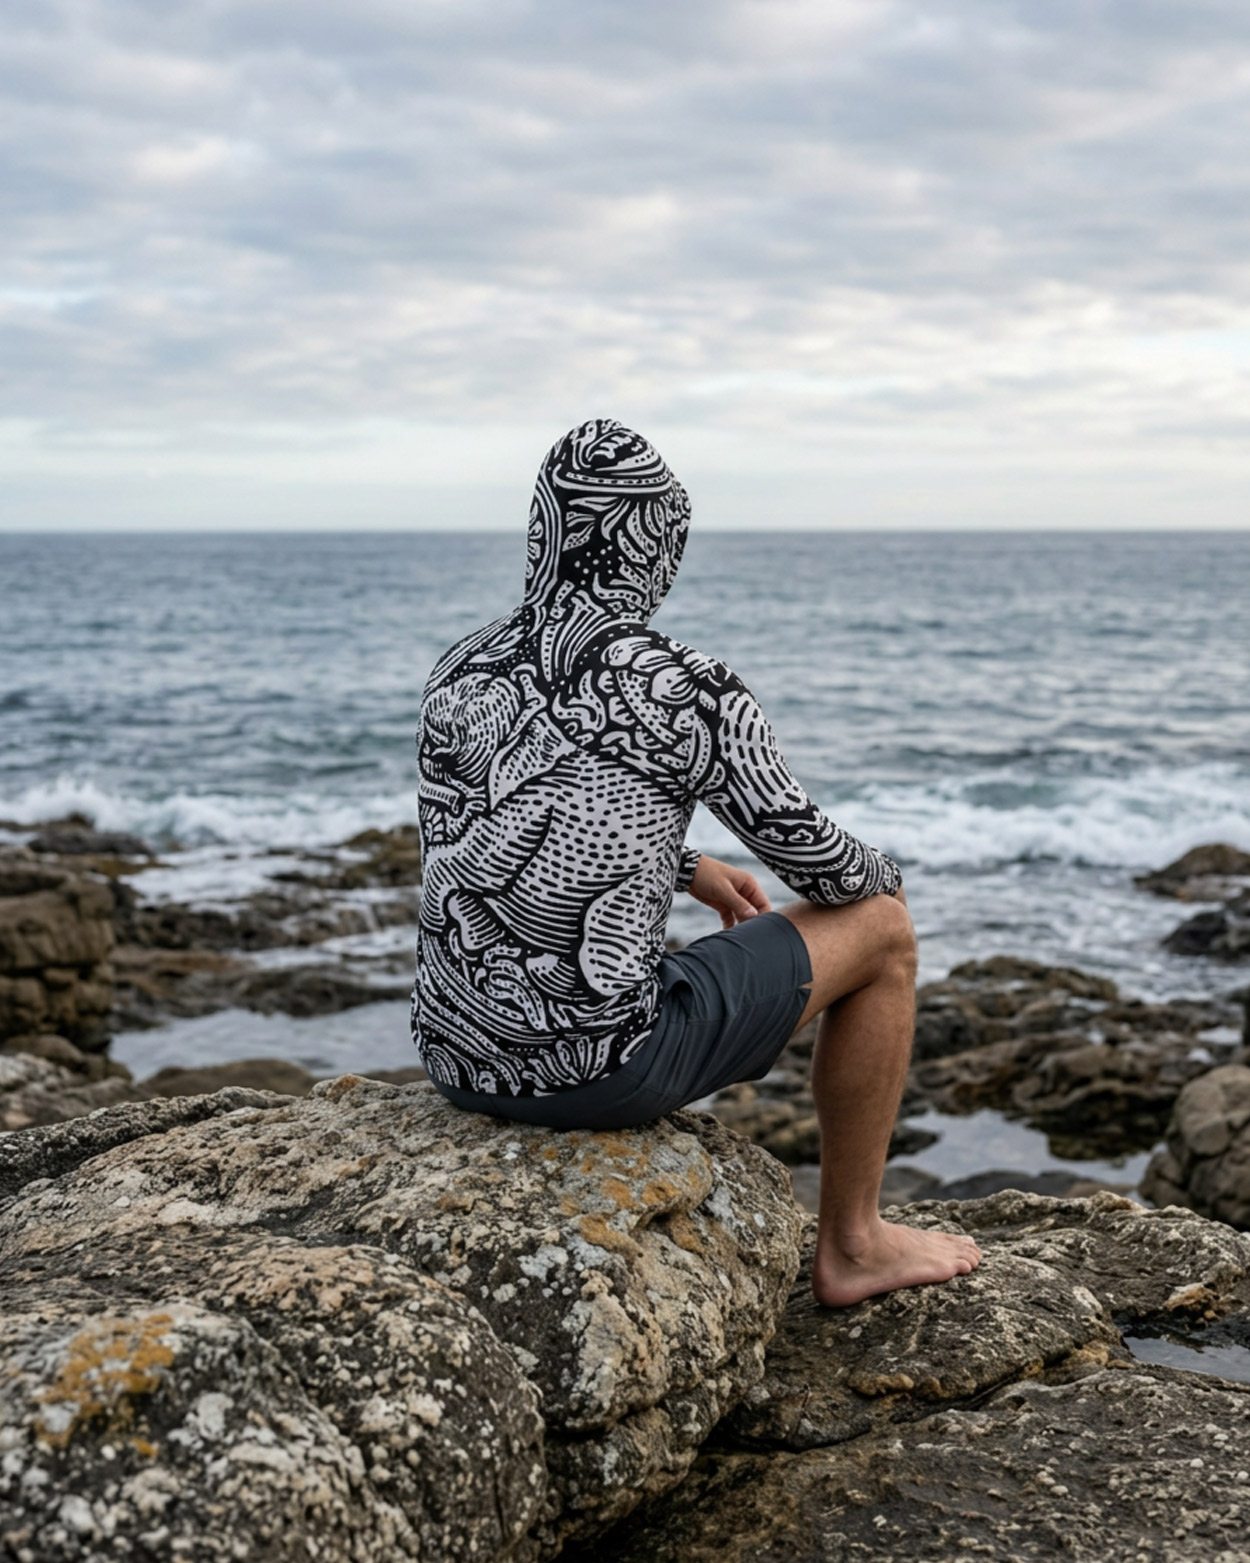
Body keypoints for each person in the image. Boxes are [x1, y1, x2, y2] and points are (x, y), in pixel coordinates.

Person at [411, 419, 980, 1305]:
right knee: (884, 930)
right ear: (655, 546)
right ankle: (856, 1243)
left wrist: (685, 865)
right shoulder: (687, 686)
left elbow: (498, 824)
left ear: (542, 533)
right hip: (601, 1070)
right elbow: (820, 865)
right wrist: (885, 878)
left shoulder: (461, 668)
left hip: (459, 1059)